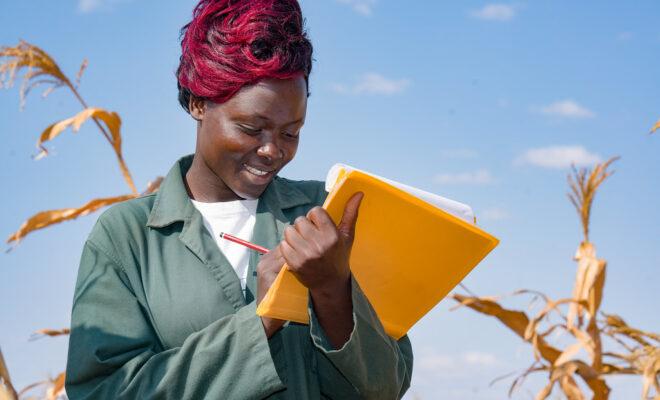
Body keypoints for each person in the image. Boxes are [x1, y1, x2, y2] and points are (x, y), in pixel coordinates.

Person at [65, 0, 413, 398]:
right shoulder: (126, 238)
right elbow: (102, 392)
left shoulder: (329, 215)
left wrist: (334, 288)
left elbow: (387, 386)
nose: (272, 151)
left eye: (291, 132)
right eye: (251, 128)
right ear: (198, 103)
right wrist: (261, 318)